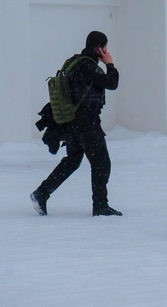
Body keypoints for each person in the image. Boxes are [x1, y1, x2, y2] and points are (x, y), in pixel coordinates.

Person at [31, 31, 122, 217]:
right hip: (87, 124)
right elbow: (112, 83)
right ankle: (100, 206)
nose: (106, 51)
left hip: (72, 123)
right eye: (104, 47)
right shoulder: (88, 66)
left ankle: (42, 193)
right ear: (98, 48)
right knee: (102, 163)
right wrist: (110, 64)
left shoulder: (74, 62)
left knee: (72, 161)